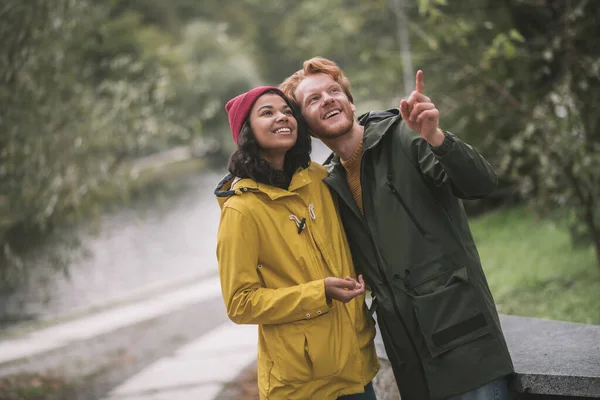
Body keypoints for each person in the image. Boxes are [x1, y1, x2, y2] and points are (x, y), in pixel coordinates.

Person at [281, 58, 514, 400]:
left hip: (466, 341)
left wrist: (435, 136)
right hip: (408, 358)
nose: (328, 99)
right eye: (313, 99)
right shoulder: (328, 185)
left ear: (350, 101)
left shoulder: (405, 136)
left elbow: (480, 184)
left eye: (333, 91)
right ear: (307, 126)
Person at [214, 86, 380, 399]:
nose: (282, 118)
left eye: (287, 111)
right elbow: (240, 304)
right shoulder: (241, 210)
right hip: (301, 383)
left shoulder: (319, 179)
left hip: (356, 364)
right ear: (247, 132)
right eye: (267, 113)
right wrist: (319, 293)